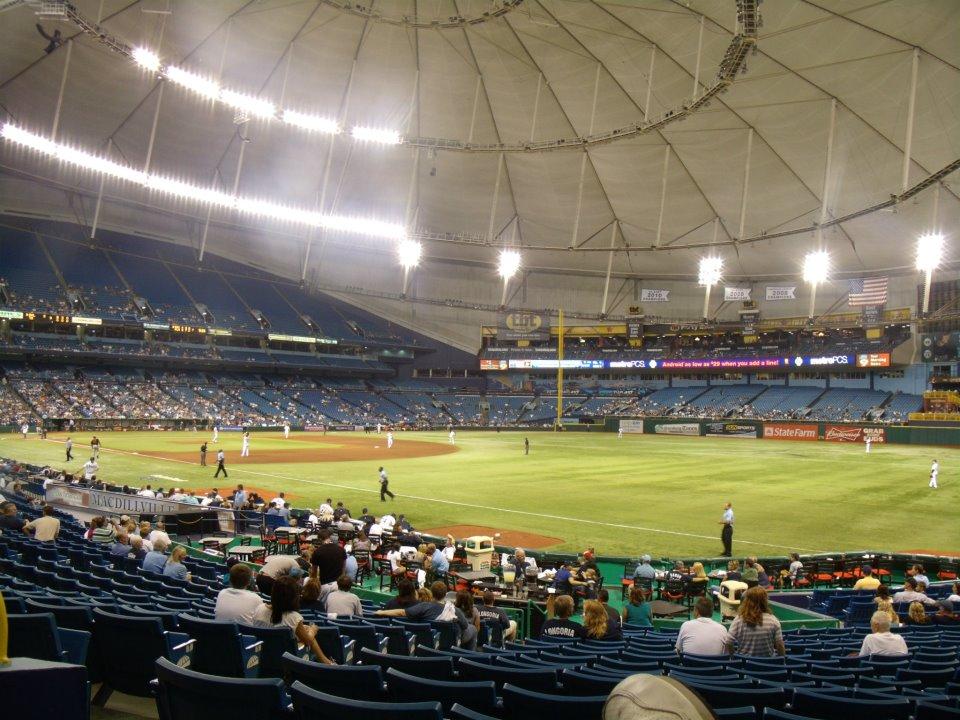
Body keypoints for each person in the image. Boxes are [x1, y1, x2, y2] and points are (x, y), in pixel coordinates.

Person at [251, 576, 335, 664]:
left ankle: (328, 663)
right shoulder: (294, 618)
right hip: (284, 661)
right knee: (310, 637)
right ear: (294, 597)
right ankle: (328, 663)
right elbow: (308, 641)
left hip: (258, 658)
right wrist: (313, 630)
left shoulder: (259, 608)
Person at [375, 581, 478, 650]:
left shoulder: (423, 606)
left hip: (428, 640)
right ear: (445, 594)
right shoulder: (454, 610)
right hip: (450, 639)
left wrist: (381, 612)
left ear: (432, 593)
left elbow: (402, 612)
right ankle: (469, 654)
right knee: (472, 628)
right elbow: (464, 626)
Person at [728, 587, 784, 657]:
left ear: (747, 601)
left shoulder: (739, 619)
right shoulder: (773, 620)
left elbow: (728, 642)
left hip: (744, 665)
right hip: (768, 665)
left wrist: (734, 658)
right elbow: (780, 645)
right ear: (765, 601)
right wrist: (782, 661)